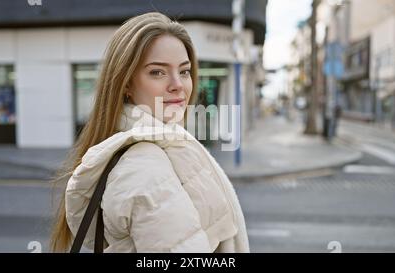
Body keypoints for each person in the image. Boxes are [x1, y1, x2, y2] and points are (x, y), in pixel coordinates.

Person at [50, 12, 249, 253]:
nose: (178, 84)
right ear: (126, 84)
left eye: (184, 71)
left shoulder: (169, 143)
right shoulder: (145, 167)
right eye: (158, 72)